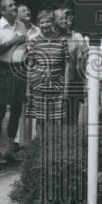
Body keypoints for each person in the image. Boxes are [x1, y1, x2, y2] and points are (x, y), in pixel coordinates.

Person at [0, 0, 29, 162]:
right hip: (4, 69)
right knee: (0, 110)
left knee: (16, 109)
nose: (14, 8)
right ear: (2, 11)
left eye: (14, 5)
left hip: (20, 69)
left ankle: (10, 147)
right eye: (10, 6)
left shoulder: (21, 25)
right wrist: (14, 41)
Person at [25, 10, 70, 139]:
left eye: (47, 22)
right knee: (40, 119)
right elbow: (30, 65)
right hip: (38, 85)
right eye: (42, 22)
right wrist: (28, 87)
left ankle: (54, 145)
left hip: (57, 85)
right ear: (38, 24)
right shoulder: (34, 41)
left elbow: (67, 65)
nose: (44, 25)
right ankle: (40, 145)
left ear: (53, 23)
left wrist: (66, 87)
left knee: (56, 119)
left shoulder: (62, 40)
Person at [55, 8, 88, 126]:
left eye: (66, 18)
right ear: (54, 21)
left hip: (75, 81)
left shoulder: (76, 36)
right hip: (57, 82)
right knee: (58, 117)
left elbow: (85, 56)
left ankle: (71, 135)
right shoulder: (51, 37)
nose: (65, 20)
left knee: (73, 117)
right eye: (61, 18)